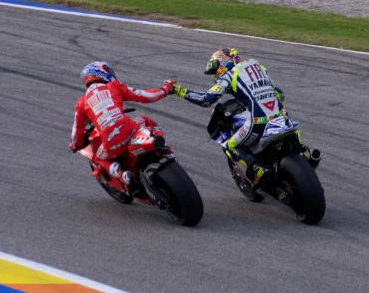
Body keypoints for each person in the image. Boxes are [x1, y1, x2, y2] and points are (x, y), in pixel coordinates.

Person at [170, 48, 286, 187]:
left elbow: (207, 99)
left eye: (215, 69)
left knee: (231, 145)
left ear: (223, 62)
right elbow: (279, 94)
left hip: (258, 121)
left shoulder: (229, 76)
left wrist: (179, 91)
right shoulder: (257, 65)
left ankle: (257, 168)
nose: (215, 74)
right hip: (281, 115)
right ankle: (305, 154)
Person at [70, 61, 175, 190]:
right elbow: (147, 96)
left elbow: (77, 132)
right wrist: (165, 89)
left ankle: (120, 173)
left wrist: (75, 145)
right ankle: (166, 151)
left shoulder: (81, 103)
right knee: (145, 120)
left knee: (97, 158)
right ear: (103, 73)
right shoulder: (114, 86)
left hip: (111, 142)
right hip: (130, 129)